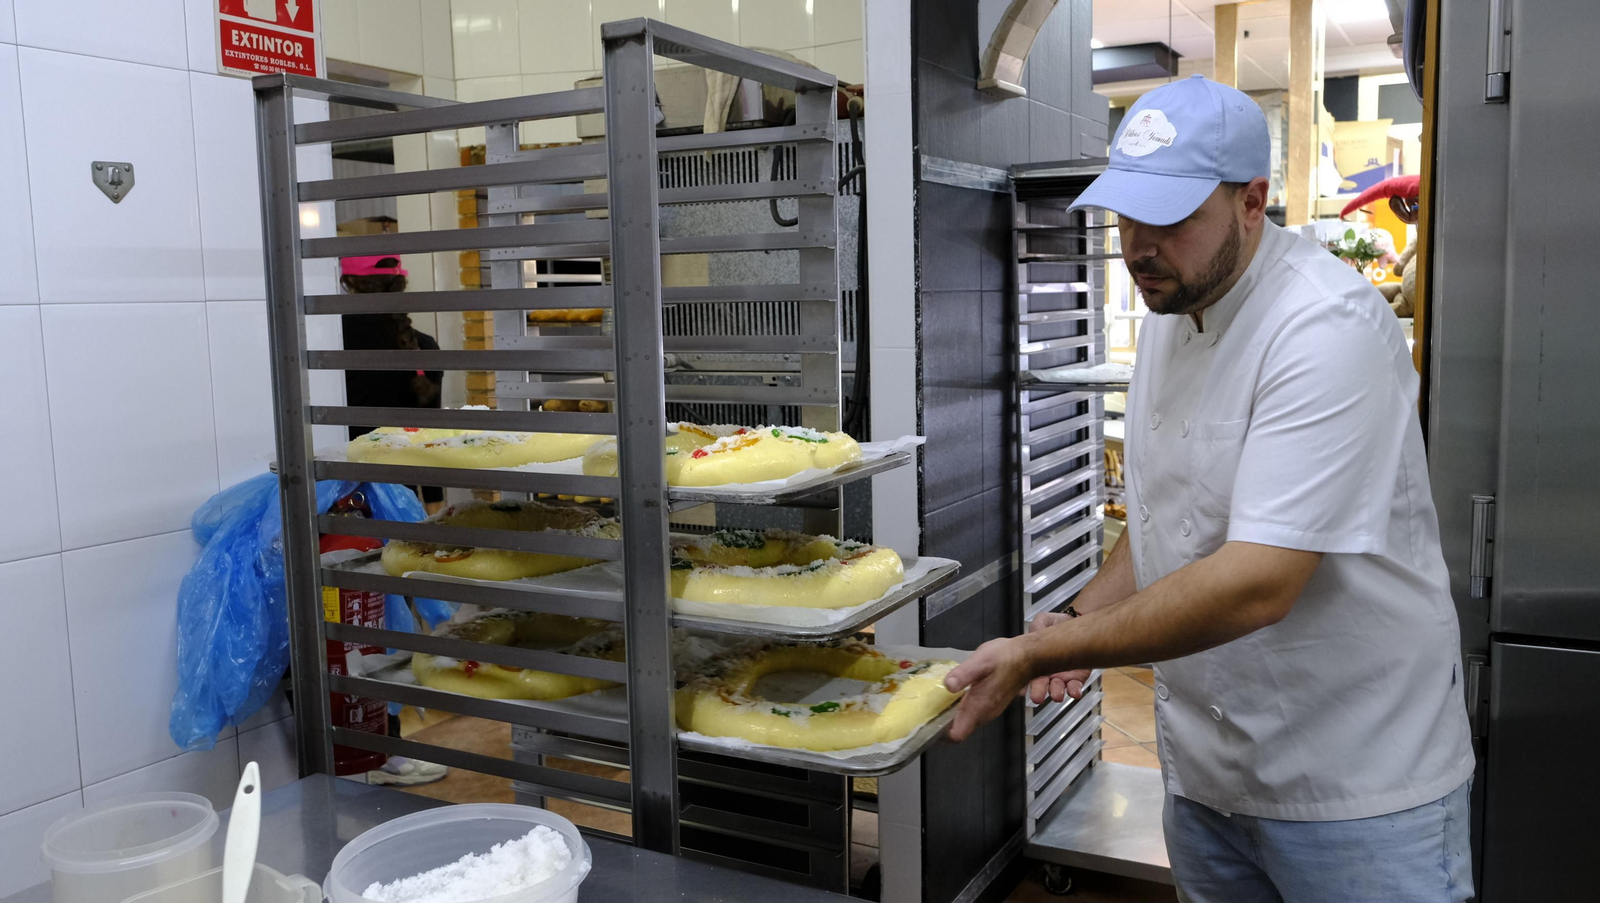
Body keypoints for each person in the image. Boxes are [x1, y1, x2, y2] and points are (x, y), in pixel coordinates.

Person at [943, 75, 1474, 903]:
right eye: (1126, 214)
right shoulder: (1172, 311)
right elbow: (1165, 512)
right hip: (1206, 778)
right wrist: (1082, 614)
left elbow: (1260, 579)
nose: (1139, 244)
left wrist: (1049, 649)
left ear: (1252, 201)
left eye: (1171, 217)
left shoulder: (1322, 326)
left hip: (1353, 784)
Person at [339, 255, 446, 513]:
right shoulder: (423, 347)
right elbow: (428, 439)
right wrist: (436, 514)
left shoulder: (328, 343)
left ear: (349, 283)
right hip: (400, 506)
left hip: (338, 500)